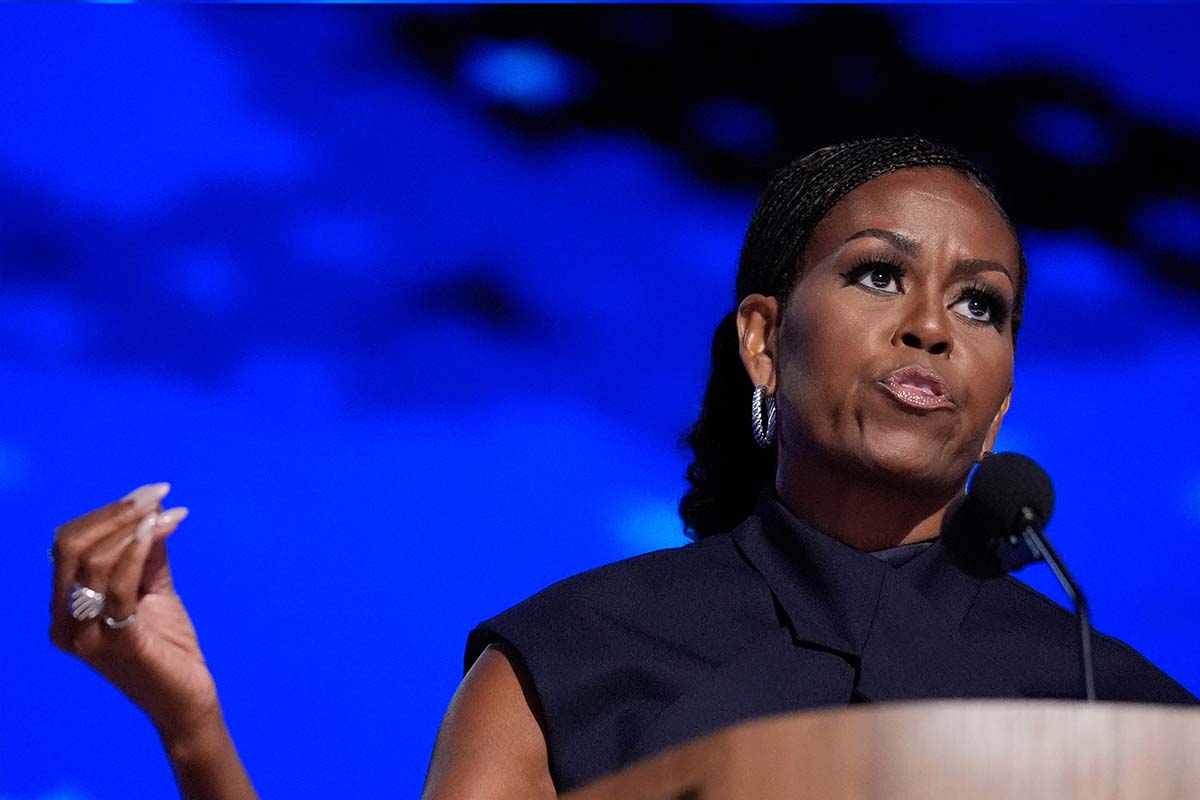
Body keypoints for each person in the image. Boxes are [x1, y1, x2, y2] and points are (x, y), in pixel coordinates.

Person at [50, 137, 1197, 800]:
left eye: (980, 304)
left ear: (1000, 400)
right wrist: (192, 728)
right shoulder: (565, 662)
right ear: (761, 336)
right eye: (879, 276)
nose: (932, 329)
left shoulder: (1128, 713)